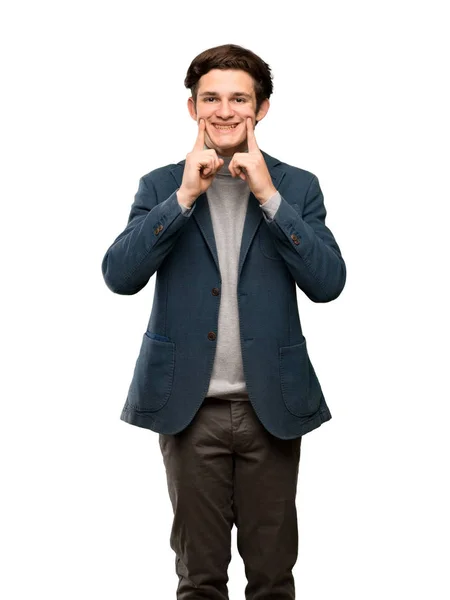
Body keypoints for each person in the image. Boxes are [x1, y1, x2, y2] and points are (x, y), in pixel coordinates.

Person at [101, 43, 346, 600]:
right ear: (192, 108)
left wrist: (267, 194)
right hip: (189, 411)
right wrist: (186, 195)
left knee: (272, 578)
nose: (225, 109)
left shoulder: (298, 186)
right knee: (199, 579)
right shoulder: (162, 184)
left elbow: (328, 283)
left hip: (273, 408)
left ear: (261, 109)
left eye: (240, 98)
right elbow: (120, 274)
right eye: (211, 97)